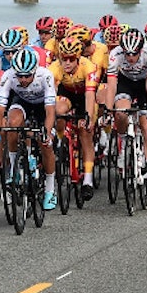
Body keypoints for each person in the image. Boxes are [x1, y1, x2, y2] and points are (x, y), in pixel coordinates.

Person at [0, 48, 59, 211]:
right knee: (12, 124)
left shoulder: (45, 75)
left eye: (27, 76)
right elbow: (0, 109)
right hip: (21, 102)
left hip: (42, 106)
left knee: (46, 144)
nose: (22, 80)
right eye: (19, 76)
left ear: (34, 71)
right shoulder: (9, 75)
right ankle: (14, 170)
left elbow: (50, 111)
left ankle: (50, 189)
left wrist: (47, 132)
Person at [105, 27, 147, 198]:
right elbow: (112, 85)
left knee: (145, 124)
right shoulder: (115, 54)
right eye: (127, 54)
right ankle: (123, 148)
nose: (130, 58)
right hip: (126, 83)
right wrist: (108, 111)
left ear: (140, 50)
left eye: (133, 54)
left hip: (144, 85)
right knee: (120, 113)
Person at [48, 36, 100, 200]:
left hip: (85, 96)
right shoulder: (54, 67)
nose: (67, 63)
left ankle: (88, 179)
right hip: (67, 94)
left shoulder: (88, 66)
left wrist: (89, 117)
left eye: (71, 59)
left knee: (85, 132)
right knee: (59, 110)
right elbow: (50, 95)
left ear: (78, 58)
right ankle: (61, 139)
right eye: (64, 59)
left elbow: (90, 95)